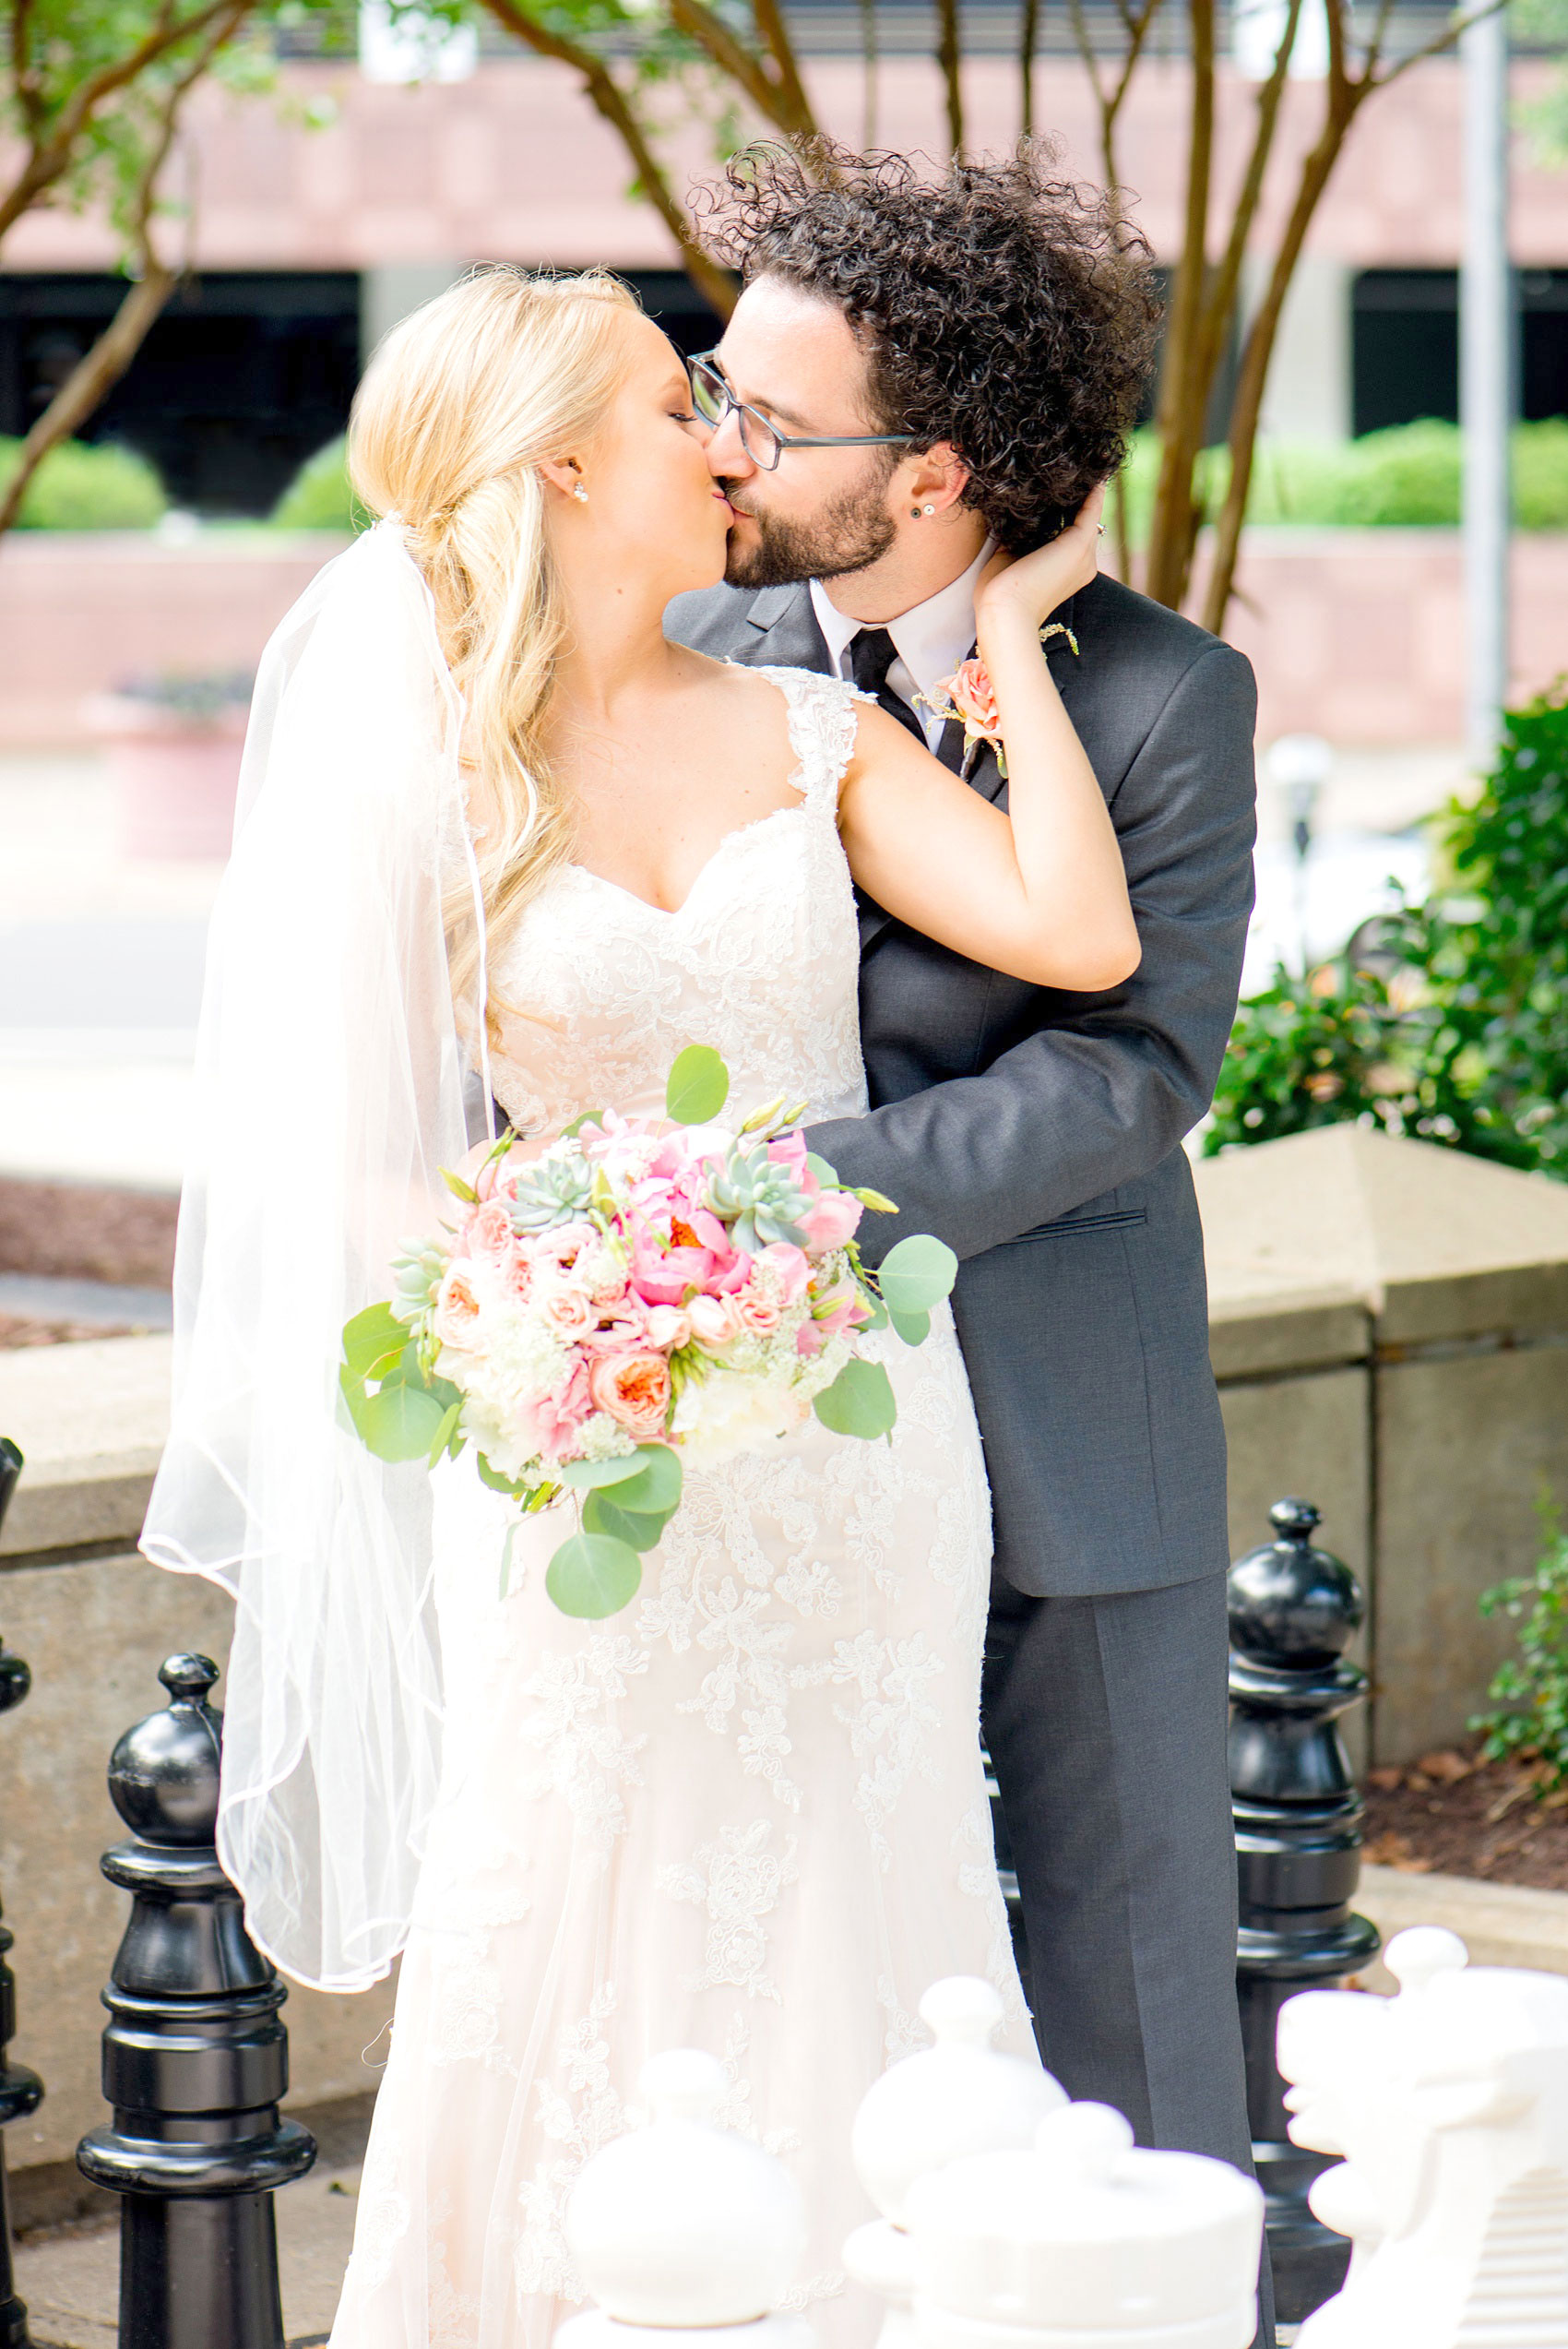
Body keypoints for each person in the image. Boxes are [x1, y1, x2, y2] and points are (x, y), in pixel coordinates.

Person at [139, 263, 1141, 2348]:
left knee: (872, 1879)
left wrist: (1024, 642)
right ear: (571, 466)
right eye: (674, 399)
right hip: (582, 1437)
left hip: (851, 1439)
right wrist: (561, 1292)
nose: (722, 431)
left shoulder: (811, 730)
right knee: (571, 1909)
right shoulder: (431, 777)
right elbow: (349, 1160)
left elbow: (1070, 924)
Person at [667, 141, 1264, 2300]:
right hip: (750, 1437)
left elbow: (1132, 1076)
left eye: (764, 413)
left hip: (1055, 1426)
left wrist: (761, 1210)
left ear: (931, 475)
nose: (714, 442)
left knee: (1123, 1995)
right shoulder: (675, 644)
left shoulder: (1160, 694)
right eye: (714, 388)